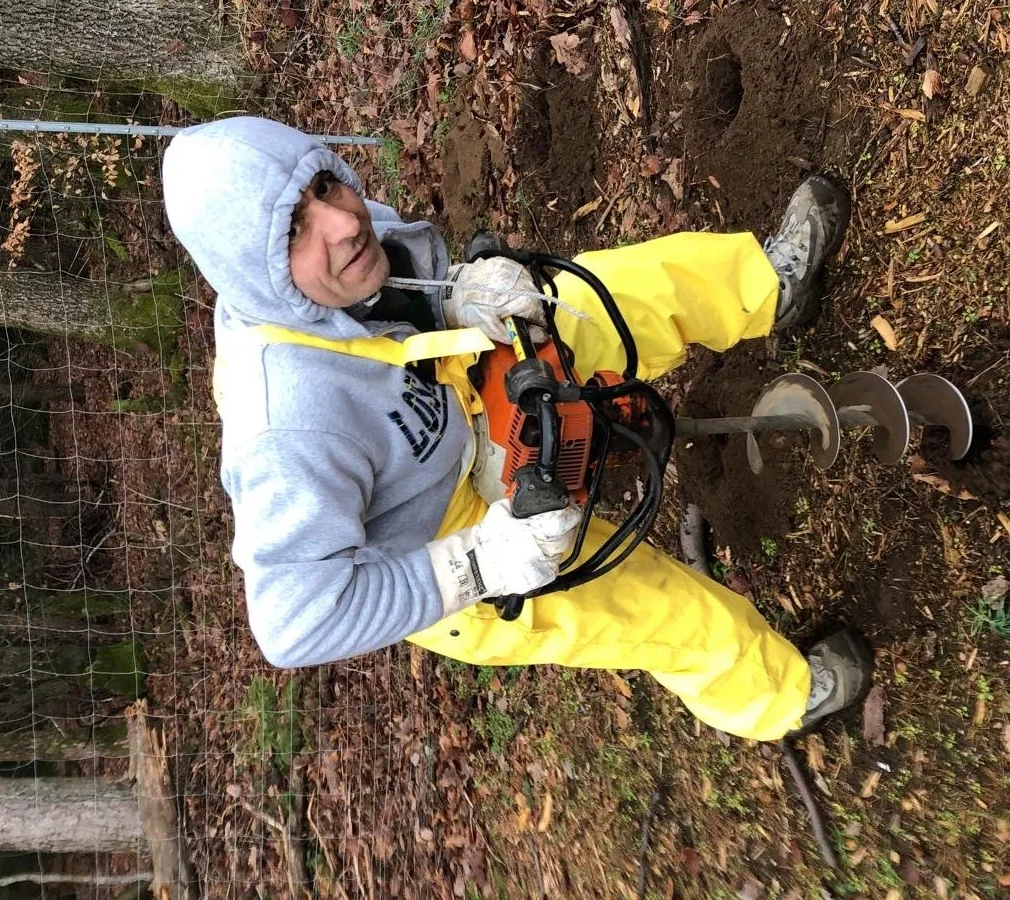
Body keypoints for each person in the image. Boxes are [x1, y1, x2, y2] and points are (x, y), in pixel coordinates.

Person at [162, 116, 871, 742]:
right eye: (294, 231)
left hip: (456, 391)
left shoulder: (342, 238)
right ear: (256, 276)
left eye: (322, 185)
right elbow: (296, 621)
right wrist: (480, 563)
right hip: (445, 533)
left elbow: (415, 279)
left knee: (604, 301)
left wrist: (464, 290)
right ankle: (787, 697)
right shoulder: (286, 427)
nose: (341, 221)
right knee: (639, 605)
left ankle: (770, 289)